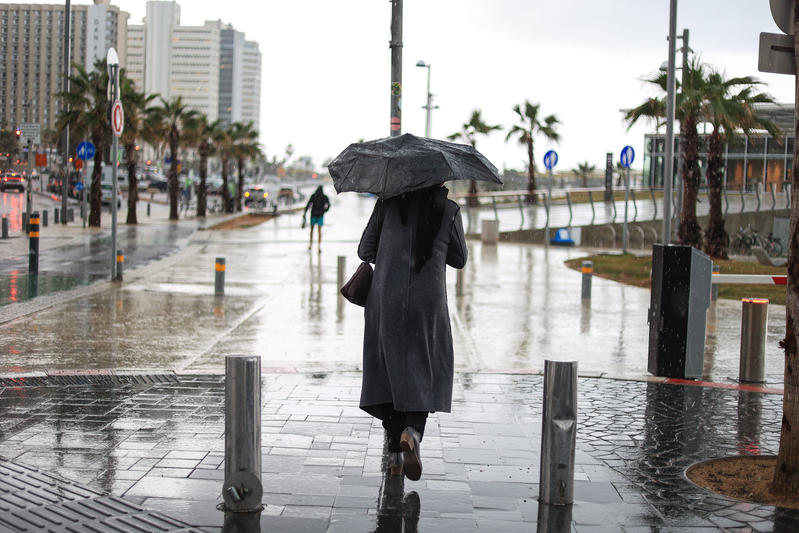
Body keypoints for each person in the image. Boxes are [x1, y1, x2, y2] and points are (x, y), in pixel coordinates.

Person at [357, 184, 467, 481]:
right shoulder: (449, 210)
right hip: (426, 303)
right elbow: (459, 259)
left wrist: (393, 248)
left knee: (387, 372)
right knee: (424, 370)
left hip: (385, 299)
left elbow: (365, 250)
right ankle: (411, 432)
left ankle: (394, 454)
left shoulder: (388, 204)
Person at [304, 186, 330, 252]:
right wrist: (324, 211)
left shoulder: (313, 196)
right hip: (320, 216)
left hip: (313, 215)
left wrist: (305, 213)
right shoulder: (324, 197)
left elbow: (308, 204)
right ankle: (319, 246)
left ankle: (310, 245)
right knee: (319, 231)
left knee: (312, 231)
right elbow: (328, 205)